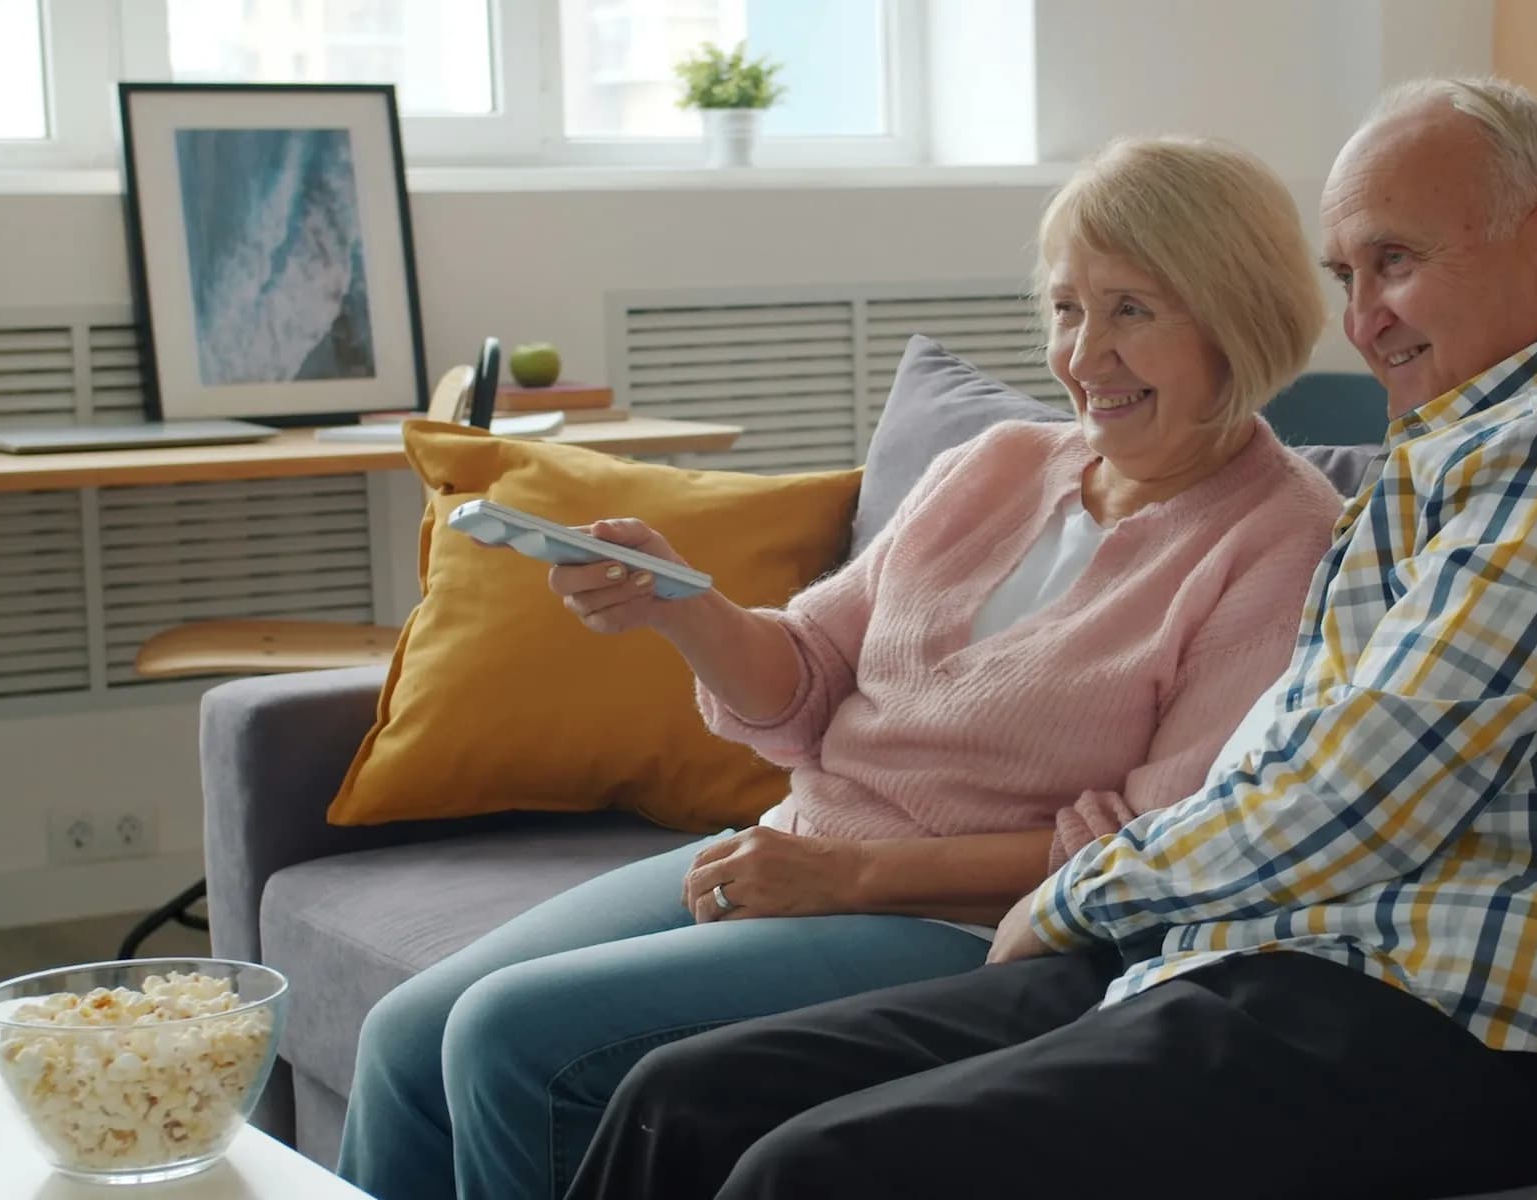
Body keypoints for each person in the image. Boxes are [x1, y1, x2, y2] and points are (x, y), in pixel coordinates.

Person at [561, 76, 1537, 1200]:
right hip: (1265, 955)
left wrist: (1074, 896)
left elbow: (1356, 796)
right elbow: (1280, 775)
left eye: (1393, 261)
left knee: (810, 1170)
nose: (1364, 317)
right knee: (684, 1101)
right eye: (1345, 276)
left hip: (1480, 1021)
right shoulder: (1447, 457)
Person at [332, 135, 1348, 1200]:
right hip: (797, 851)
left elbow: (1146, 850)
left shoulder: (1284, 541)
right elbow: (810, 672)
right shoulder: (998, 462)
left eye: (1131, 310)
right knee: (409, 1036)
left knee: (508, 1039)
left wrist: (850, 877)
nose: (1083, 354)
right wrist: (684, 605)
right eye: (1065, 308)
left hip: (962, 931)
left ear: (1236, 316)